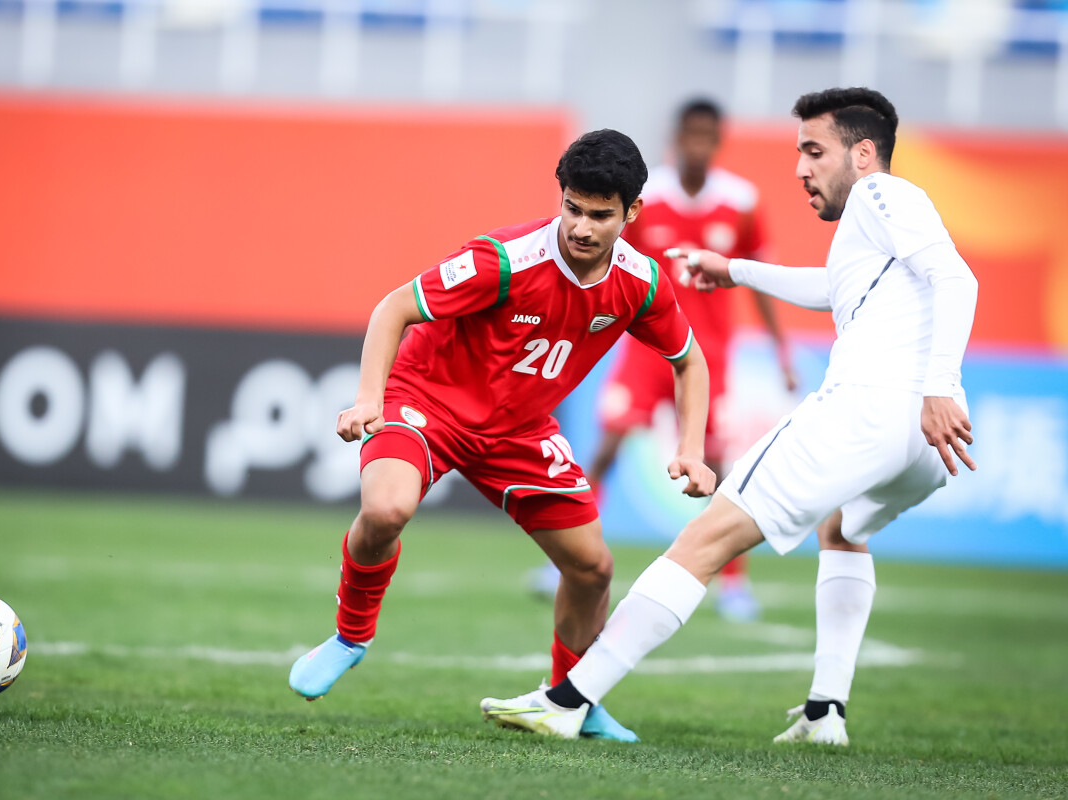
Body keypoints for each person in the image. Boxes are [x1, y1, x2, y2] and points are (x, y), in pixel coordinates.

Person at [481, 87, 979, 745]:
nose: (800, 168)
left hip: (878, 407)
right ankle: (826, 714)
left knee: (703, 540)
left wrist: (937, 384)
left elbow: (958, 279)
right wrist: (736, 270)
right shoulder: (875, 223)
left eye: (813, 151)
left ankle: (568, 700)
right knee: (841, 529)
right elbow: (834, 289)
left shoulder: (884, 194)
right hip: (918, 445)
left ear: (863, 155)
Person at [288, 129, 717, 742]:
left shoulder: (640, 283)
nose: (582, 228)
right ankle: (351, 636)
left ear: (632, 213)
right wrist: (368, 398)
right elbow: (393, 309)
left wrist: (691, 450)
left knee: (593, 568)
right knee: (385, 509)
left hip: (517, 430)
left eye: (601, 215)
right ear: (560, 197)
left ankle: (572, 700)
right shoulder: (506, 259)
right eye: (572, 207)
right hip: (428, 400)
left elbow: (689, 361)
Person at [528, 99, 798, 623]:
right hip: (645, 348)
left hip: (708, 356)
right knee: (605, 446)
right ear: (677, 138)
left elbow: (759, 279)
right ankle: (562, 559)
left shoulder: (740, 201)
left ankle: (733, 584)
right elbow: (608, 263)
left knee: (714, 463)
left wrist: (781, 349)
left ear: (718, 140)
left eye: (706, 135)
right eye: (689, 134)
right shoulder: (646, 201)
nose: (697, 144)